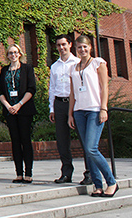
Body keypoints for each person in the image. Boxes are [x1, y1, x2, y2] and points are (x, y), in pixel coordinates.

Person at [68, 35, 118, 197]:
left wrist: (104, 108)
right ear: (75, 49)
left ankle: (111, 182)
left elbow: (104, 87)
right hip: (79, 111)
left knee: (92, 147)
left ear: (90, 47)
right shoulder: (73, 68)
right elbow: (72, 94)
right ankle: (97, 185)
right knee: (87, 150)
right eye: (79, 47)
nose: (82, 50)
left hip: (95, 110)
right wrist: (70, 114)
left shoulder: (98, 63)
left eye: (85, 47)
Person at [49, 34, 92, 185]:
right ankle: (66, 173)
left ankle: (89, 173)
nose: (61, 48)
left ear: (70, 44)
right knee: (62, 140)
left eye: (63, 44)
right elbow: (52, 88)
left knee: (84, 138)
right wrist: (51, 108)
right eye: (58, 45)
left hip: (77, 103)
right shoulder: (54, 66)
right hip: (60, 104)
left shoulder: (78, 62)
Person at [0, 44, 37, 183]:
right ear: (7, 55)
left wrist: (19, 105)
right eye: (10, 53)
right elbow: (1, 92)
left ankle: (28, 173)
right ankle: (19, 173)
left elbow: (31, 89)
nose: (13, 55)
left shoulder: (27, 68)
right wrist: (8, 106)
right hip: (10, 111)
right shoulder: (4, 71)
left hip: (24, 109)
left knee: (25, 140)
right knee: (15, 142)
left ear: (20, 54)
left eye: (15, 52)